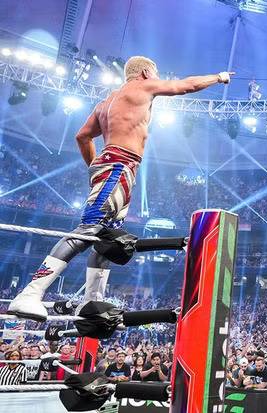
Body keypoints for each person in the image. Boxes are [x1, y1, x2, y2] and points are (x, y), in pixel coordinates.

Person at [5, 56, 234, 321]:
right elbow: (186, 86)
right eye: (156, 72)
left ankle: (92, 301)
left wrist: (95, 166)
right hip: (118, 165)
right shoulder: (142, 87)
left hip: (117, 167)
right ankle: (30, 293)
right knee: (88, 230)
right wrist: (218, 77)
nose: (157, 77)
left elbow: (82, 136)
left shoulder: (106, 102)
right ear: (146, 72)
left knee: (106, 239)